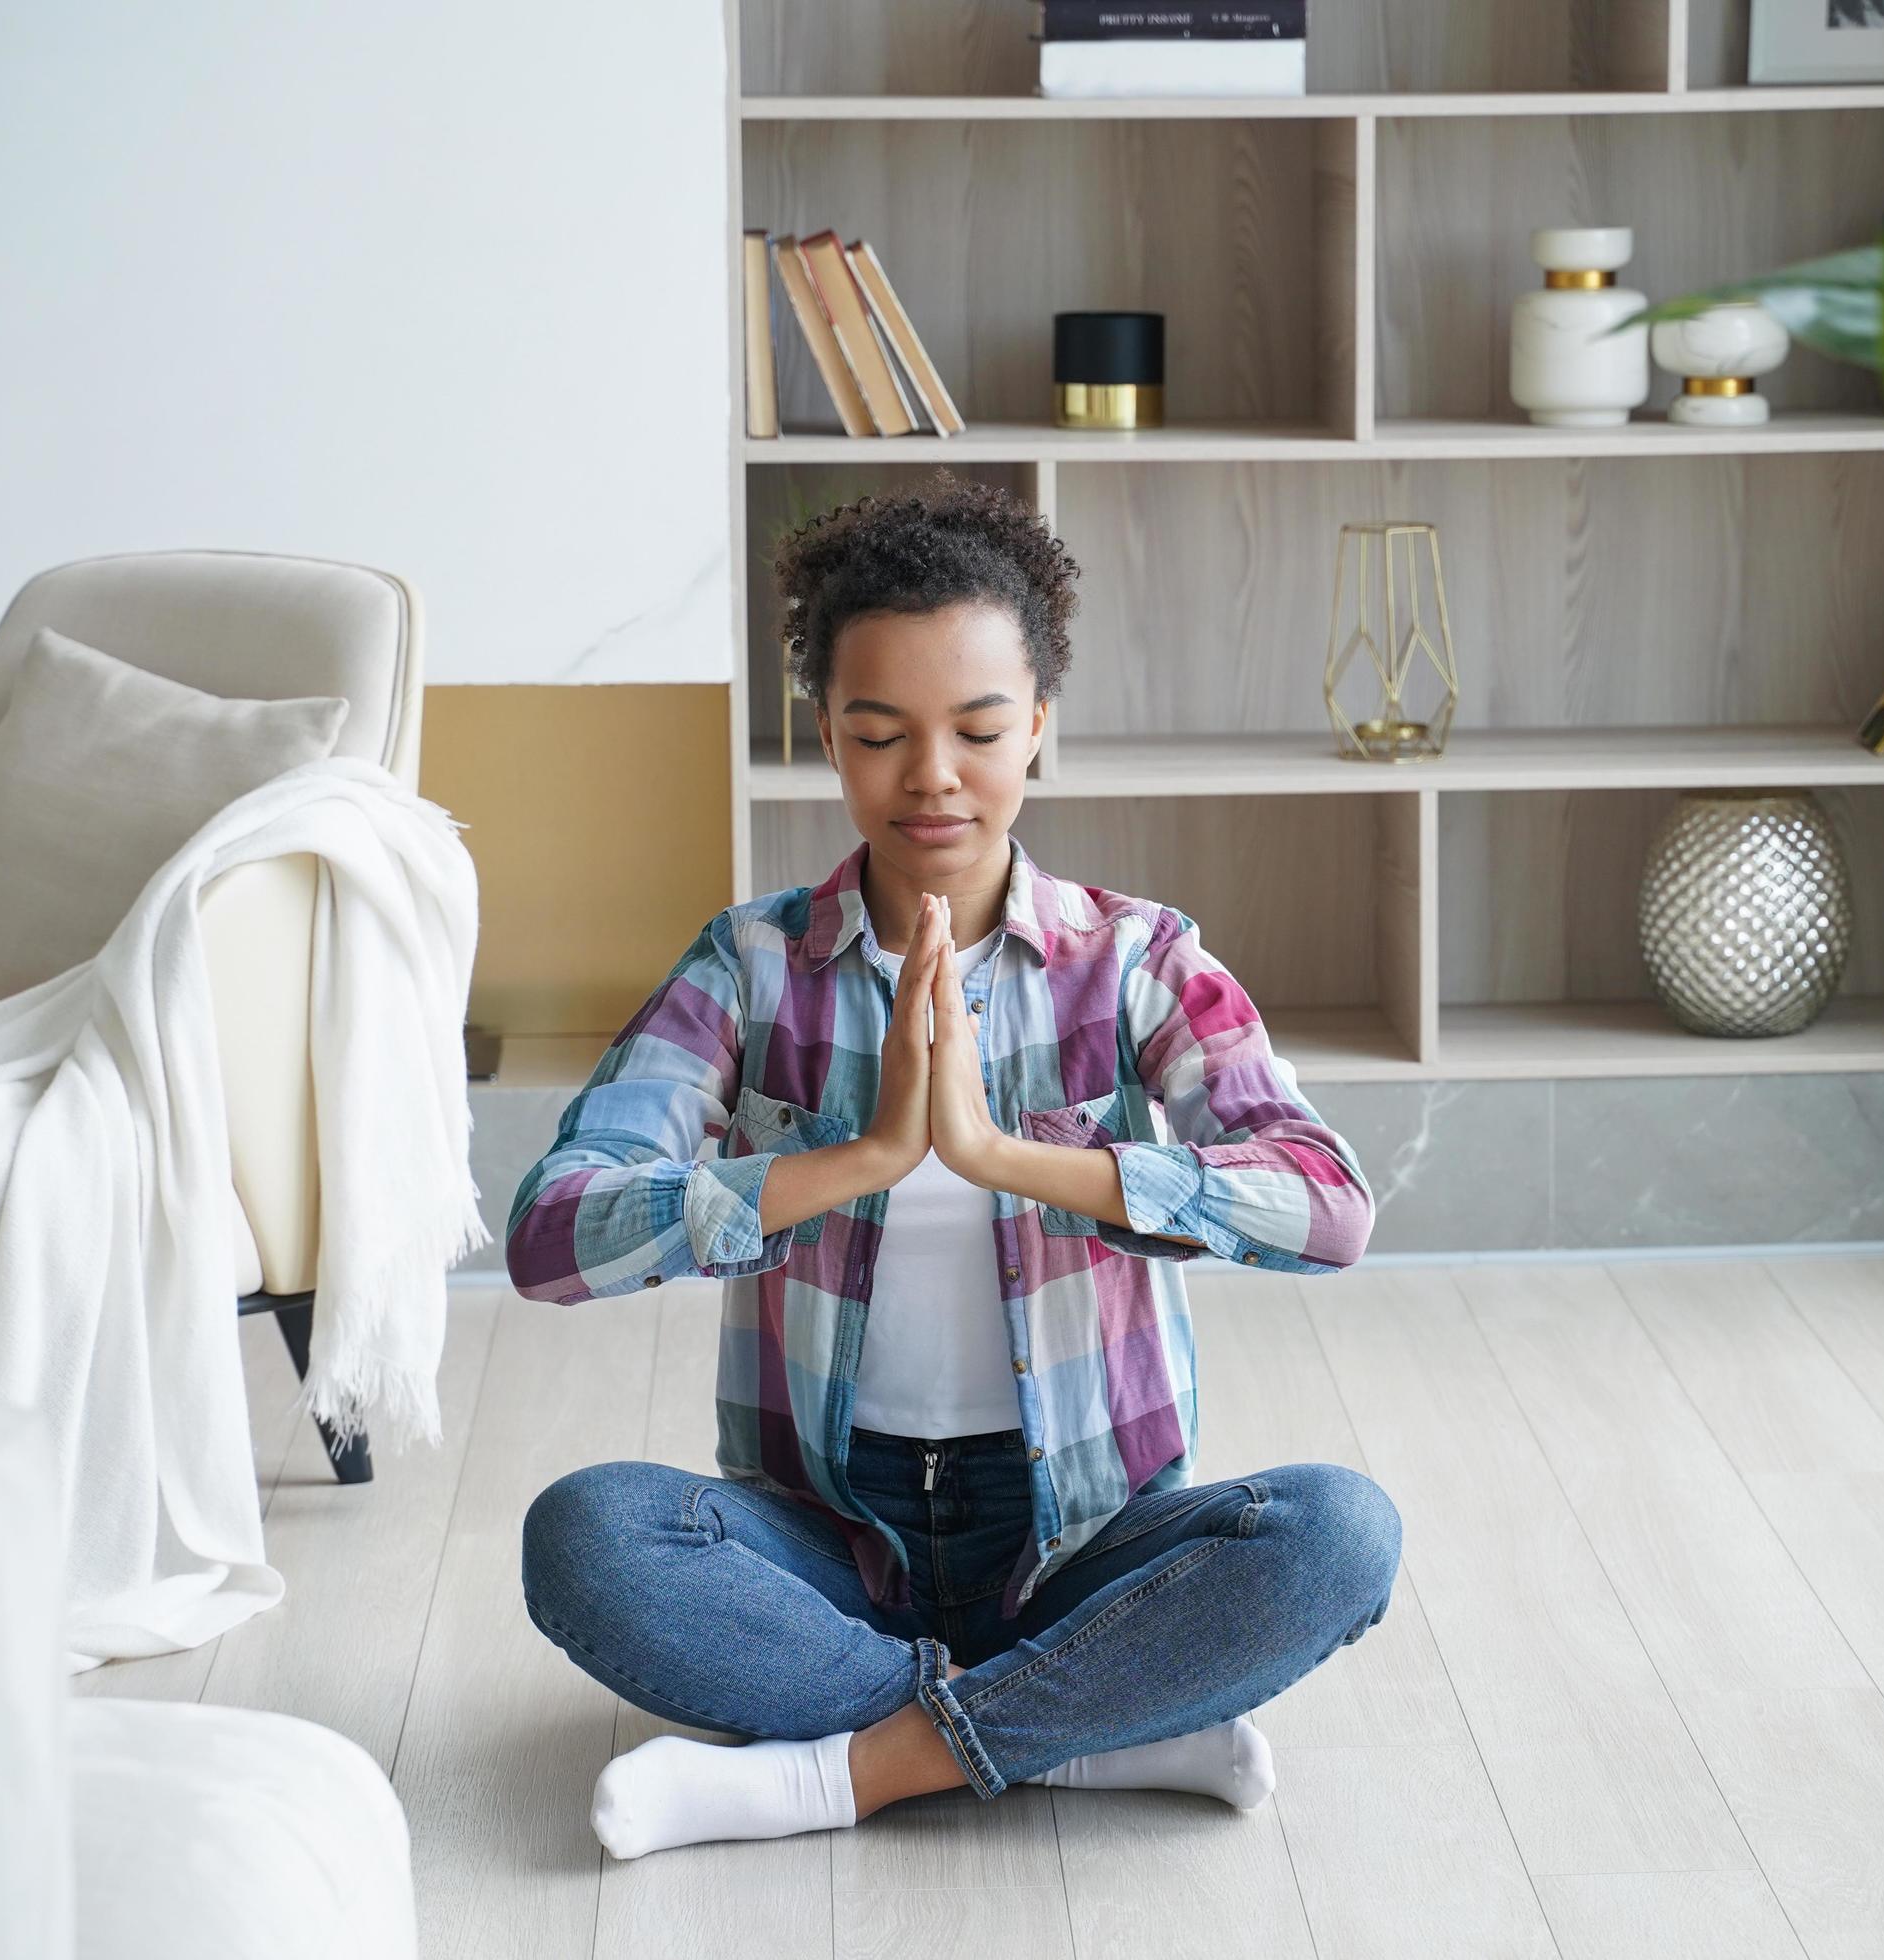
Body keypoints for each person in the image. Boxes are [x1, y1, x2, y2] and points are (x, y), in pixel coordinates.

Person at [505, 471, 1400, 1859]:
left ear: (1038, 724)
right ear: (829, 738)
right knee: (585, 1538)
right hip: (829, 1544)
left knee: (1339, 1535)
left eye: (980, 729)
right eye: (881, 733)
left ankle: (840, 1772)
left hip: (1082, 1548)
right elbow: (550, 1238)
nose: (932, 778)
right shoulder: (749, 965)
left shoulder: (1137, 958)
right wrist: (860, 1157)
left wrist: (1004, 1157)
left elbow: (1331, 1206)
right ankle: (1082, 1735)